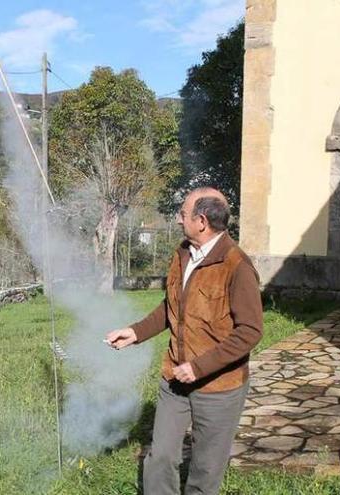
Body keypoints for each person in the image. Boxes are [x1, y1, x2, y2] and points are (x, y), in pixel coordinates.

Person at [105, 187, 263, 495]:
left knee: (205, 469)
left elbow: (250, 331)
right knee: (160, 458)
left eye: (182, 214)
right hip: (174, 379)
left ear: (201, 221)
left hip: (219, 388)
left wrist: (200, 367)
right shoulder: (182, 254)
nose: (178, 220)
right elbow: (172, 306)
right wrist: (136, 332)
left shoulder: (237, 266)